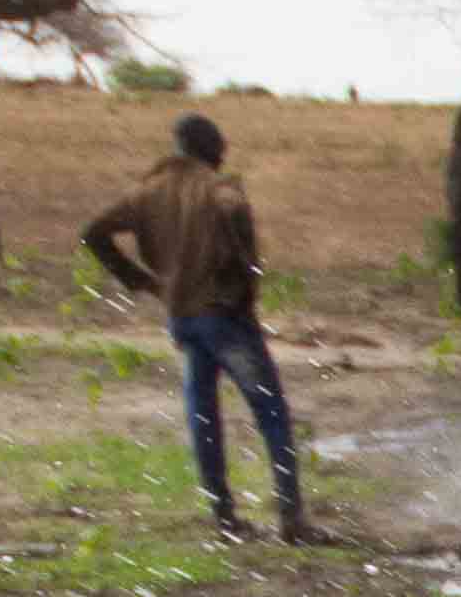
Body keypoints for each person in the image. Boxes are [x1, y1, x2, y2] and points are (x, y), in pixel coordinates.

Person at [80, 114, 312, 544]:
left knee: (203, 417)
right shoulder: (221, 190)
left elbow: (92, 232)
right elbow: (235, 222)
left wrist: (141, 280)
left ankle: (224, 518)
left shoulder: (147, 192)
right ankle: (291, 518)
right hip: (225, 317)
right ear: (212, 148)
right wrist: (244, 285)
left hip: (183, 318)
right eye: (221, 146)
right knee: (271, 413)